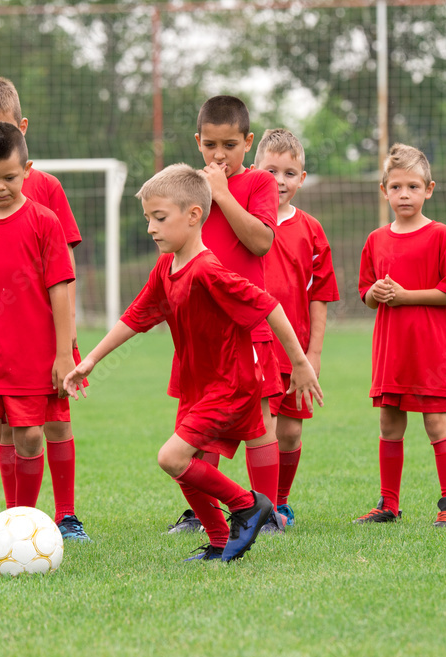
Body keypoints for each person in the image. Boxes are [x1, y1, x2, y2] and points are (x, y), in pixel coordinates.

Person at [64, 164, 324, 562]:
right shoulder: (167, 267)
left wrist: (301, 363)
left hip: (230, 385)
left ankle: (249, 505)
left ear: (193, 215)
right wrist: (92, 360)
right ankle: (221, 542)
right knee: (190, 464)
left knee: (172, 457)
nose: (151, 227)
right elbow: (136, 315)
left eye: (160, 217)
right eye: (148, 218)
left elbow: (268, 306)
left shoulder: (208, 270)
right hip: (197, 387)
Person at [0, 77, 91, 542]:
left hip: (43, 333)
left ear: (22, 132)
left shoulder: (45, 191)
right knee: (0, 433)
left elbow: (62, 269)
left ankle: (65, 515)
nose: (1, 183)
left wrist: (65, 342)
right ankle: (2, 523)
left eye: (5, 129)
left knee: (50, 422)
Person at [166, 95, 286, 535]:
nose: (219, 155)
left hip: (247, 328)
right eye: (211, 145)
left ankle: (267, 513)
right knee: (200, 422)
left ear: (248, 143)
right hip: (198, 334)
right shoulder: (186, 186)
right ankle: (204, 514)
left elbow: (260, 242)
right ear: (198, 141)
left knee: (260, 422)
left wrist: (221, 194)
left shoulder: (259, 185)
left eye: (230, 146)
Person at [356, 143, 446, 527]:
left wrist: (404, 296)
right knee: (390, 424)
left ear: (429, 189)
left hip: (431, 352)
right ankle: (388, 505)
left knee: (436, 423)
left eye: (414, 187)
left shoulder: (441, 235)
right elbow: (367, 296)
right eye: (397, 187)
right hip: (391, 352)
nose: (405, 194)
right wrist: (378, 294)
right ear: (384, 190)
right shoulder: (375, 240)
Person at [252, 128, 340, 528]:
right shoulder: (247, 224)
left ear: (302, 179)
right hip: (254, 347)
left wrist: (313, 354)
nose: (279, 181)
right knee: (261, 430)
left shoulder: (311, 229)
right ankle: (261, 509)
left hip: (295, 353)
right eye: (270, 171)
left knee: (289, 433)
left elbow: (319, 295)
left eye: (289, 173)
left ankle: (281, 502)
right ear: (255, 171)